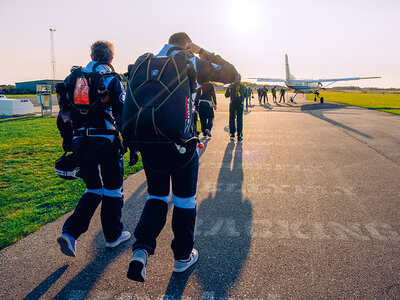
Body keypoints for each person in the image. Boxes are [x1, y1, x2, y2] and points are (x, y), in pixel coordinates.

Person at [126, 32, 238, 282]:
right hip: (181, 144)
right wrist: (202, 51)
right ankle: (182, 256)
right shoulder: (192, 62)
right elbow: (232, 74)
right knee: (185, 200)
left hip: (149, 142)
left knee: (156, 196)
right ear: (187, 44)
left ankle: (142, 250)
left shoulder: (149, 63)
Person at [56, 41, 131, 257]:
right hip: (105, 141)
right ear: (110, 58)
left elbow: (64, 115)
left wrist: (69, 142)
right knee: (112, 189)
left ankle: (70, 233)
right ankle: (113, 235)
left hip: (80, 141)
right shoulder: (110, 78)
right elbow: (122, 113)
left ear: (91, 54)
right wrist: (130, 143)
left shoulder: (73, 78)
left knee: (93, 189)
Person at [225, 75, 246, 141]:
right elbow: (245, 95)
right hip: (240, 104)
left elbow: (226, 95)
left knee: (231, 118)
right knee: (239, 119)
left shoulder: (230, 85)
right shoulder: (243, 86)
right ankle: (239, 135)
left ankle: (232, 133)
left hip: (232, 104)